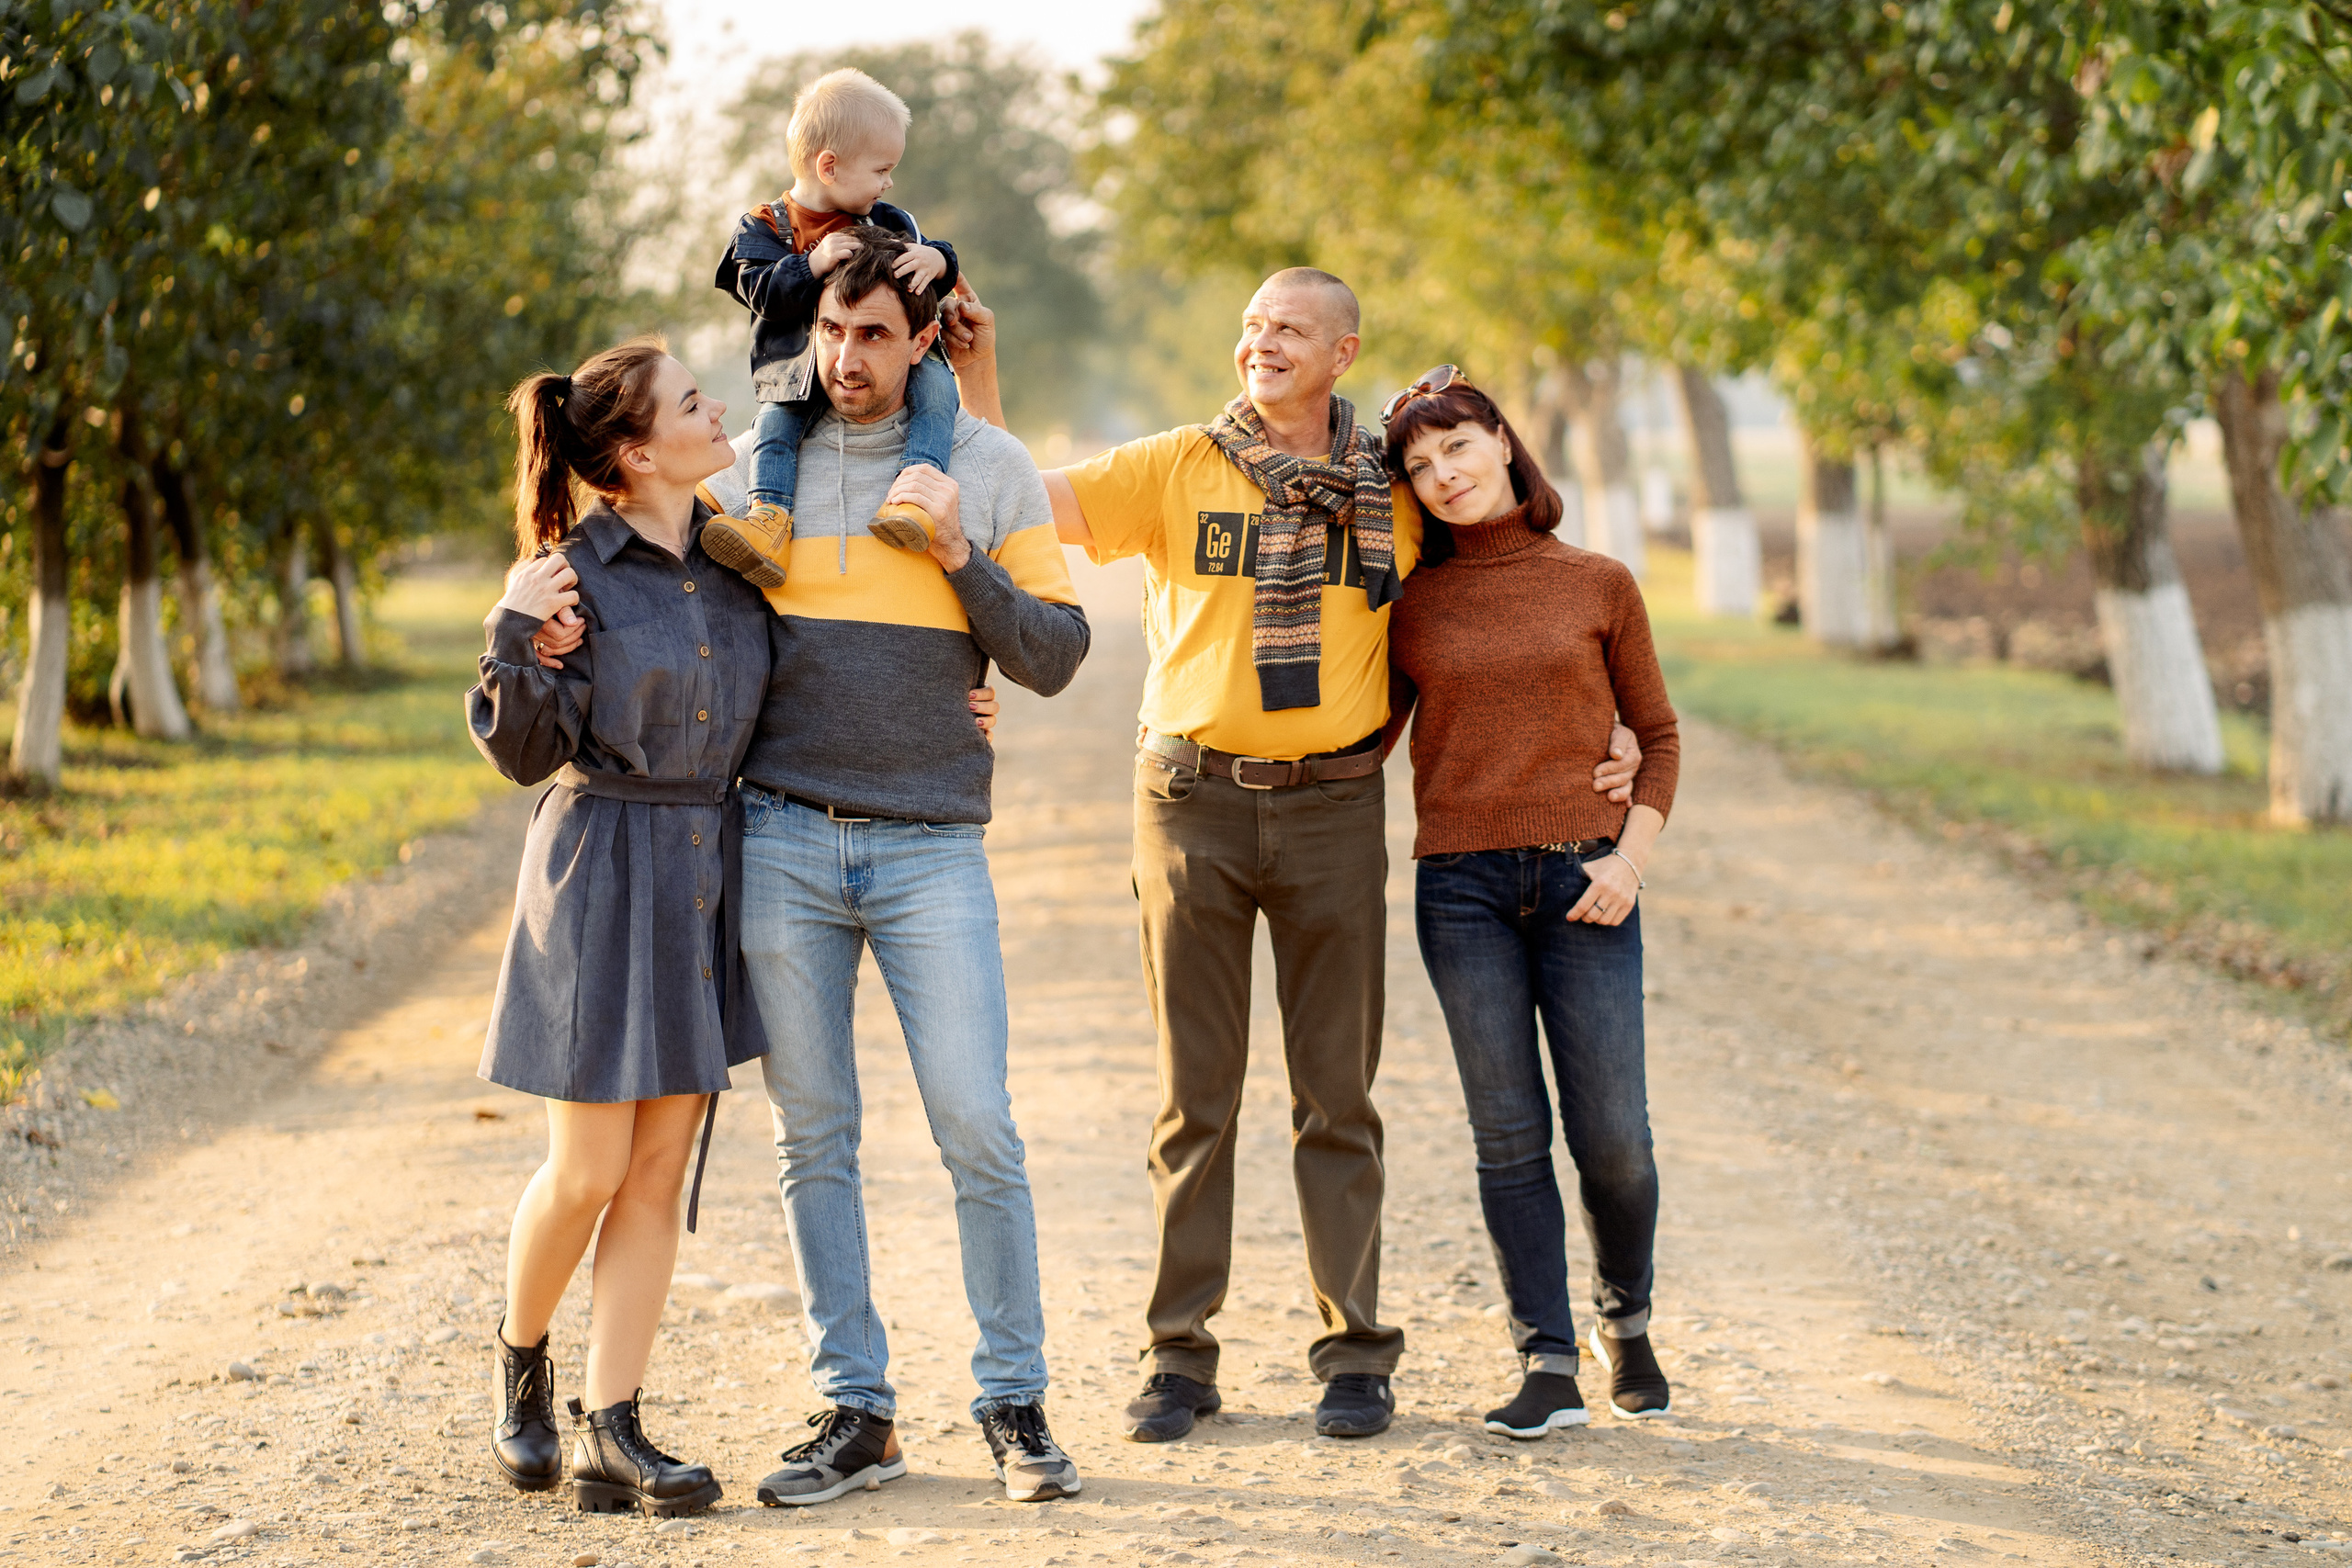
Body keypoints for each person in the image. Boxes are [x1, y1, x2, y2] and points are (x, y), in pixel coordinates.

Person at [1039, 270, 1638, 1443]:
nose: (1262, 344)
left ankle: (1354, 1354)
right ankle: (1178, 1358)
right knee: (1192, 1099)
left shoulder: (1395, 494)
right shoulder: (1170, 465)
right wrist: (973, 368)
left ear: (1342, 351)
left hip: (1333, 811)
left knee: (1336, 1096)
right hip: (1189, 802)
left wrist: (1608, 721)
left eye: (1290, 331)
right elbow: (1016, 496)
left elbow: (1504, 620)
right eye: (1253, 325)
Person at [714, 230, 1091, 1506]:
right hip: (783, 834)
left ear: (925, 340)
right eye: (832, 332)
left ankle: (1015, 1400)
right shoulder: (765, 470)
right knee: (811, 1134)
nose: (849, 357)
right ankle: (856, 1408)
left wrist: (957, 561)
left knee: (978, 1126)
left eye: (876, 334)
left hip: (932, 847)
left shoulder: (986, 464)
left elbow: (1055, 650)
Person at [466, 335, 762, 1517]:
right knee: (586, 1169)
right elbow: (523, 751)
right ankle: (520, 1359)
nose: (717, 408)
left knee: (654, 1175)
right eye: (693, 402)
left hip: (700, 868)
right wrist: (506, 627)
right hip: (598, 873)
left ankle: (614, 1429)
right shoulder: (567, 579)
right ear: (636, 453)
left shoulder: (739, 568)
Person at [1380, 366, 1681, 1438]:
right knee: (1506, 1137)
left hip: (1585, 882)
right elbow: (1357, 732)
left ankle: (1626, 1320)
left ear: (1503, 443)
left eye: (1455, 447)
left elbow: (1658, 736)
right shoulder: (1408, 605)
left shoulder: (1598, 582)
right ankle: (1546, 1361)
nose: (1442, 474)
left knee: (1614, 1140)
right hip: (1458, 891)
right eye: (1418, 467)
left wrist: (1626, 861)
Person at [703, 66, 961, 585]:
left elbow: (927, 264)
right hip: (796, 368)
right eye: (882, 170)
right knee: (773, 430)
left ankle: (914, 497)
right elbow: (755, 291)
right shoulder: (765, 226)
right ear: (829, 166)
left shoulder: (887, 220)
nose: (889, 183)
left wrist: (939, 261)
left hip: (884, 365)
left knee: (938, 391)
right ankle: (769, 520)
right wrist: (811, 265)